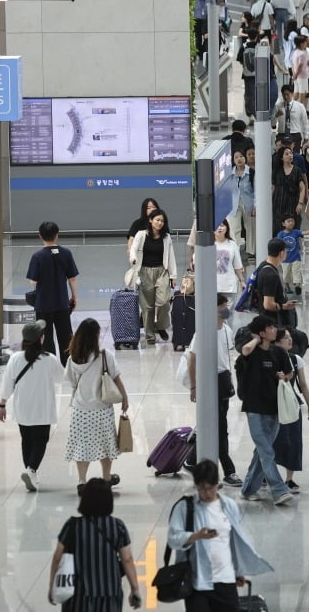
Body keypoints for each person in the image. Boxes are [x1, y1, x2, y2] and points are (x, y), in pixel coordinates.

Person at [167, 460, 273, 611]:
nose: (207, 493)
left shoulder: (228, 506)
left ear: (217, 484)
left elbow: (232, 541)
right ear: (196, 486)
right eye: (202, 489)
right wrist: (196, 536)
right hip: (198, 582)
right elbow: (173, 539)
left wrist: (238, 570)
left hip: (225, 579)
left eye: (211, 488)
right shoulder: (184, 508)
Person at [48, 479, 142, 609]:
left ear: (85, 500)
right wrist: (135, 588)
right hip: (109, 594)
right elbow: (127, 559)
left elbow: (57, 558)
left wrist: (52, 585)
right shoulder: (117, 526)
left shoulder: (72, 526)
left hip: (78, 597)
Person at [64, 318, 130, 496]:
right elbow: (116, 378)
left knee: (81, 446)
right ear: (95, 337)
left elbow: (71, 381)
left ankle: (81, 481)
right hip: (101, 409)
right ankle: (107, 478)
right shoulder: (104, 356)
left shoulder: (72, 358)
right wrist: (124, 398)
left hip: (80, 409)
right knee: (105, 445)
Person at [0, 320, 63, 492]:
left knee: (27, 441)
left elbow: (7, 384)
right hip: (42, 409)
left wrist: (2, 405)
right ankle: (31, 470)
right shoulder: (49, 359)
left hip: (22, 409)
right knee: (41, 440)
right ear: (40, 339)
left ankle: (30, 472)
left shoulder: (15, 359)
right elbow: (61, 379)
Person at [236, 315, 295, 505]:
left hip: (274, 408)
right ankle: (279, 490)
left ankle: (247, 489)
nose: (274, 329)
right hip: (254, 409)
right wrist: (255, 339)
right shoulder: (251, 352)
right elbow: (244, 351)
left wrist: (283, 377)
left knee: (262, 452)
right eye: (270, 327)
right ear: (262, 333)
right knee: (267, 451)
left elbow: (289, 373)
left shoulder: (279, 353)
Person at [188, 294, 242, 486]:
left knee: (215, 424)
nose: (226, 309)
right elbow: (192, 359)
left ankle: (192, 458)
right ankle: (229, 470)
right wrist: (194, 385)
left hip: (224, 381)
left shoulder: (226, 330)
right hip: (209, 382)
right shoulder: (204, 332)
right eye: (222, 306)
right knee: (220, 427)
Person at [26, 220, 80, 358]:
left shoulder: (37, 256)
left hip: (43, 304)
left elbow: (33, 282)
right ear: (57, 235)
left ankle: (50, 367)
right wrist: (74, 297)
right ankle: (68, 366)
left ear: (40, 235)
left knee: (46, 338)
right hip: (62, 303)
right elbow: (72, 278)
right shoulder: (66, 253)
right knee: (66, 337)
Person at [273, 328, 309, 492]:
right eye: (285, 338)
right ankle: (265, 474)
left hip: (291, 404)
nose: (289, 340)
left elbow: (303, 384)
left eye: (290, 337)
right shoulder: (269, 357)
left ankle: (289, 479)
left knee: (293, 441)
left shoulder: (296, 359)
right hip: (273, 405)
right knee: (272, 440)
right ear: (276, 342)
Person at [130, 208, 178, 345]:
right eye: (157, 220)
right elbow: (133, 249)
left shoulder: (166, 237)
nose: (160, 223)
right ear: (150, 221)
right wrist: (133, 258)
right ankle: (150, 336)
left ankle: (161, 326)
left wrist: (173, 276)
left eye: (162, 221)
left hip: (162, 271)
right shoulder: (141, 234)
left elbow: (171, 257)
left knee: (163, 302)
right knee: (147, 307)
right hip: (144, 272)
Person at [254, 237, 299, 327]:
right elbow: (268, 304)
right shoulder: (270, 274)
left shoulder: (263, 266)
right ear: (281, 253)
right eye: (285, 250)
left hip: (268, 320)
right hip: (273, 323)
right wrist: (284, 306)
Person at [226, 151, 256, 257]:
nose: (239, 159)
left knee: (250, 228)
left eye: (241, 156)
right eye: (236, 157)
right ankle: (236, 251)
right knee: (234, 228)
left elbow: (256, 190)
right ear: (233, 160)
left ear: (245, 158)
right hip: (234, 204)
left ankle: (251, 252)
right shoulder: (229, 173)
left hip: (249, 204)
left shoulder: (251, 172)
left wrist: (255, 206)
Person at [213, 220, 245, 303]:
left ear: (227, 228)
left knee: (227, 315)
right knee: (213, 315)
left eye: (222, 225)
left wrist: (242, 281)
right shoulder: (208, 244)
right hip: (212, 288)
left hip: (229, 287)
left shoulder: (232, 244)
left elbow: (237, 266)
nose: (220, 228)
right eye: (217, 226)